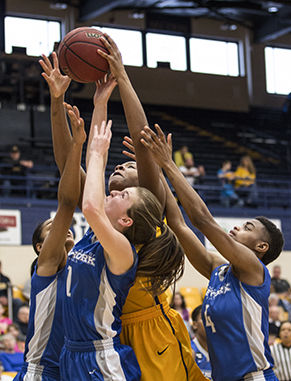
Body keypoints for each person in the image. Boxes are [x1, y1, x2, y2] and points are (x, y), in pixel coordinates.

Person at [40, 41, 206, 380]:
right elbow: (66, 163)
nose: (119, 167)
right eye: (117, 165)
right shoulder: (104, 211)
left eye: (128, 168)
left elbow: (141, 139)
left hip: (150, 329)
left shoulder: (149, 205)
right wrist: (57, 103)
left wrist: (122, 76)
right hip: (108, 333)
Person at [140, 123, 285, 381]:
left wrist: (169, 164)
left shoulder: (255, 270)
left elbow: (203, 220)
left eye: (247, 227)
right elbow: (178, 224)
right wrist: (155, 167)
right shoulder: (219, 271)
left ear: (260, 247)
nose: (238, 226)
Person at [59, 112, 185, 379]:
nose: (119, 169)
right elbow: (72, 166)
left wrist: (95, 152)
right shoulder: (100, 231)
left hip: (134, 336)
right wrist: (98, 102)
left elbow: (92, 204)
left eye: (131, 166)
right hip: (81, 347)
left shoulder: (133, 235)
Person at [13, 102, 85, 381]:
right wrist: (75, 144)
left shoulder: (80, 266)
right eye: (50, 228)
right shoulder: (44, 267)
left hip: (73, 371)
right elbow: (67, 203)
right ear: (40, 247)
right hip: (41, 372)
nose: (61, 228)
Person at [190, 306, 212, 380]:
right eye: (205, 319)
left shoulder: (223, 350)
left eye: (212, 319)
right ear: (194, 325)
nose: (210, 323)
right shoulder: (189, 351)